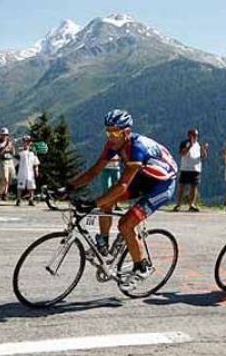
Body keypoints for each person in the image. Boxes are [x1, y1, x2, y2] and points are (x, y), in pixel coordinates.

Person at [64, 109, 178, 283]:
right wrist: (68, 187)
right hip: (144, 177)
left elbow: (122, 185)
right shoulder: (113, 145)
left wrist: (93, 204)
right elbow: (95, 171)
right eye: (108, 131)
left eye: (115, 132)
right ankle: (103, 245)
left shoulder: (137, 148)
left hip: (162, 185)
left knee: (125, 224)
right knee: (106, 202)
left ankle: (142, 266)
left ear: (126, 132)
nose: (110, 136)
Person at [173, 128, 208, 212]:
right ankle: (178, 204)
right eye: (194, 135)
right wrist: (190, 146)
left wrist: (203, 149)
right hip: (185, 168)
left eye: (197, 135)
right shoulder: (185, 143)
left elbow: (203, 157)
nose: (196, 137)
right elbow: (183, 153)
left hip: (195, 168)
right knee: (182, 186)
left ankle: (192, 204)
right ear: (189, 135)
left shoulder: (198, 145)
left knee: (194, 186)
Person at [15, 136, 40, 206]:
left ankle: (31, 199)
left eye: (28, 141)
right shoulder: (20, 150)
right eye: (25, 141)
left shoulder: (33, 152)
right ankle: (18, 199)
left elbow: (36, 163)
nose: (27, 143)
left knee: (31, 186)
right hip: (22, 171)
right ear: (23, 142)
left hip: (30, 172)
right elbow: (15, 156)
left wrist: (36, 170)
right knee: (20, 186)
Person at [0, 127, 15, 201]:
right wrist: (6, 148)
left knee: (9, 178)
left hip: (10, 160)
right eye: (3, 135)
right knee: (5, 178)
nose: (4, 136)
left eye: (6, 135)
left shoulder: (10, 142)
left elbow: (13, 152)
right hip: (3, 161)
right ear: (0, 135)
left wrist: (11, 148)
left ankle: (5, 193)